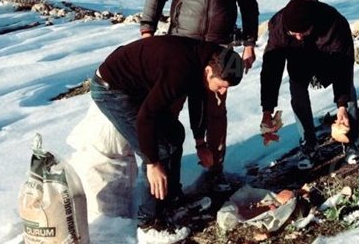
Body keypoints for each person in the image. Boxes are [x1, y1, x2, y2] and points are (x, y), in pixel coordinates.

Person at [139, 0, 259, 191]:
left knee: (216, 109)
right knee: (168, 107)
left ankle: (215, 169)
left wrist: (250, 44)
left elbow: (249, 5)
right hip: (180, 44)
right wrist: (147, 31)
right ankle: (164, 171)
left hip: (219, 47)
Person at [90, 36, 244, 231]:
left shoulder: (211, 57)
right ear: (208, 72)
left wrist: (200, 144)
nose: (221, 92)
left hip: (137, 84)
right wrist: (152, 163)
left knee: (175, 134)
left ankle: (171, 198)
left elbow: (198, 100)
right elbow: (146, 117)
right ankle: (149, 219)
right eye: (221, 86)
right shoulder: (181, 70)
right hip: (111, 89)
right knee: (159, 149)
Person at [260, 0, 359, 170]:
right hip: (299, 63)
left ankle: (350, 141)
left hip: (330, 61)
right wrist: (267, 110)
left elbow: (344, 67)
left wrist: (341, 105)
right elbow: (271, 70)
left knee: (347, 93)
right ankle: (309, 146)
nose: (299, 36)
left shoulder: (334, 23)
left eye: (304, 32)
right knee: (297, 93)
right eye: (294, 33)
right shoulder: (278, 26)